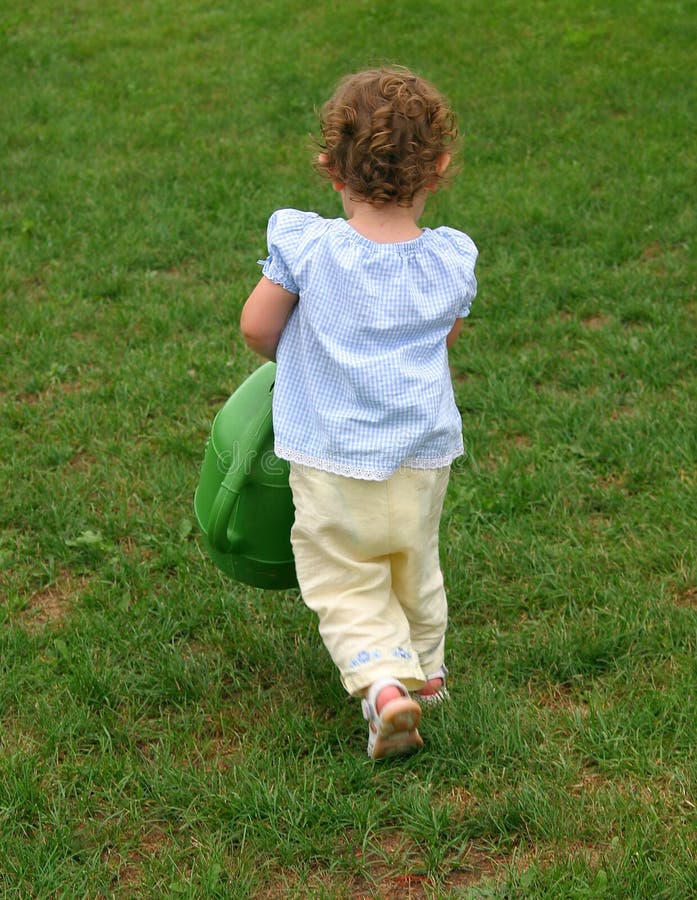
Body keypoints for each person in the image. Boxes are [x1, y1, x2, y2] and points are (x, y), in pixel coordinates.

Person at [240, 66, 478, 758]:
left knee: (342, 576)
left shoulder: (308, 248)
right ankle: (426, 671)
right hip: (421, 453)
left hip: (330, 454)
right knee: (412, 558)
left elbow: (258, 328)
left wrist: (301, 360)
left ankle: (381, 686)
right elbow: (441, 340)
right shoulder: (447, 259)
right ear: (436, 170)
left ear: (328, 168)